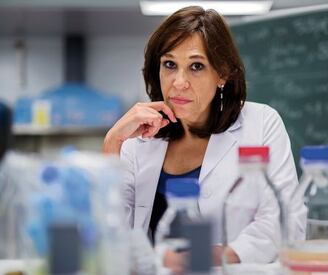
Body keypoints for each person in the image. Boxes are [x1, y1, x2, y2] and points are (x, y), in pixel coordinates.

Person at [103, 5, 306, 270]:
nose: (179, 82)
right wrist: (112, 143)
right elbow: (108, 235)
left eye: (196, 66)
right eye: (169, 64)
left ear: (221, 73)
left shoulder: (261, 124)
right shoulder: (138, 141)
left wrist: (210, 257)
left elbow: (285, 220)